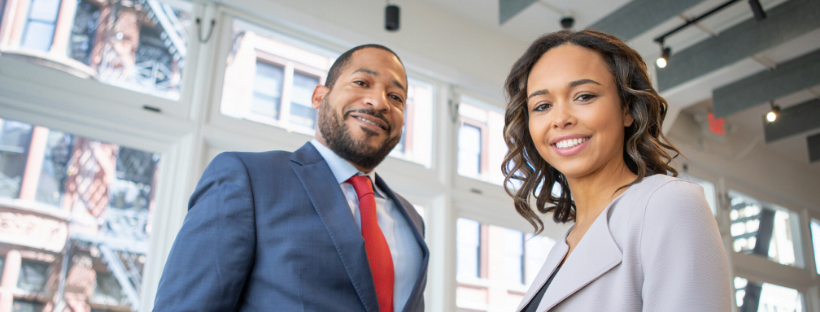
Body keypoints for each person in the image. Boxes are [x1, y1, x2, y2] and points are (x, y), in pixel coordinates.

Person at [153, 44, 428, 312]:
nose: (379, 102)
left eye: (396, 97)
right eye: (361, 82)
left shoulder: (411, 219)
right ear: (319, 96)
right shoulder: (247, 178)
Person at [501, 30, 731, 312]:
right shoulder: (564, 246)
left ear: (628, 109)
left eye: (584, 96)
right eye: (543, 106)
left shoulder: (669, 204)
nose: (560, 119)